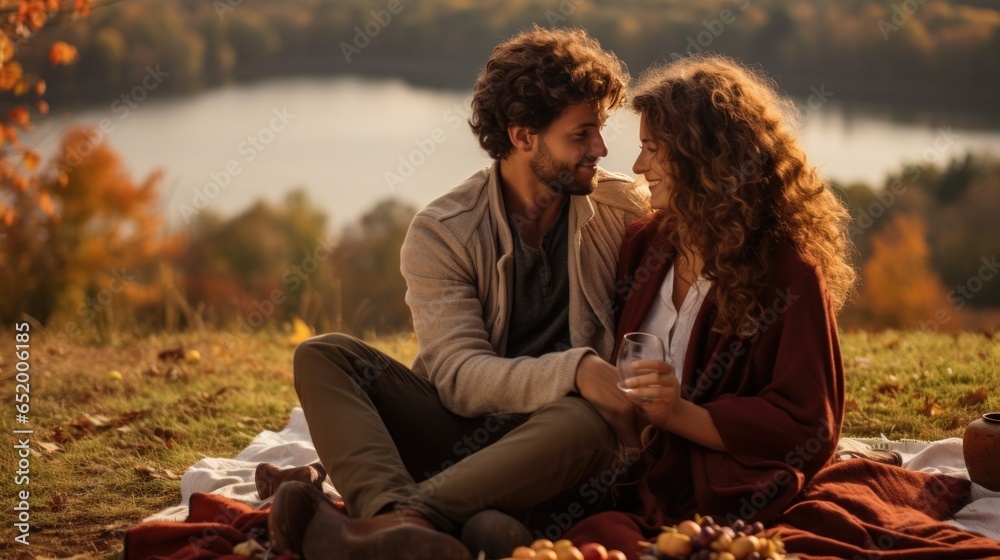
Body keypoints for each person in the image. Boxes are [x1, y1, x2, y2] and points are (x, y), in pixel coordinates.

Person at [266, 27, 648, 560]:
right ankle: (410, 521)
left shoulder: (623, 209)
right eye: (581, 134)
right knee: (323, 354)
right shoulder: (443, 230)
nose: (601, 149)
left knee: (584, 419)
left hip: (559, 444)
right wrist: (577, 369)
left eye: (599, 130)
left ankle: (388, 525)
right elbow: (458, 377)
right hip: (458, 435)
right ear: (522, 136)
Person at [564, 55, 857, 558]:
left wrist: (678, 413)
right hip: (627, 460)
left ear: (705, 157)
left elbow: (808, 425)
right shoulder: (644, 245)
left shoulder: (788, 272)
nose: (638, 167)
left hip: (717, 481)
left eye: (653, 150)